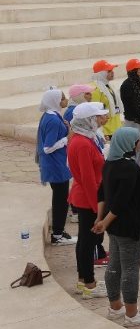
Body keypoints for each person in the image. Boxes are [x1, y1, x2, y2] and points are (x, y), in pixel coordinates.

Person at [95, 127, 140, 325]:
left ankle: (115, 307)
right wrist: (104, 221)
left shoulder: (109, 163)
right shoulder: (129, 168)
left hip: (115, 226)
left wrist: (101, 219)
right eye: (138, 141)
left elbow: (102, 192)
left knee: (115, 265)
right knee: (130, 268)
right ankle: (132, 314)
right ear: (129, 144)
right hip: (130, 226)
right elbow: (121, 201)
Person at [68, 101, 110, 297]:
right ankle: (89, 284)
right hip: (87, 199)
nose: (101, 119)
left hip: (86, 197)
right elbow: (88, 180)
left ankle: (83, 279)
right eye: (98, 117)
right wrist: (98, 211)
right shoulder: (83, 143)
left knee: (85, 241)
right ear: (88, 120)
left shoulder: (84, 138)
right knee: (87, 243)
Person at [36, 88, 76, 246]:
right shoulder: (52, 120)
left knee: (60, 199)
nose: (66, 100)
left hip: (57, 164)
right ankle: (58, 235)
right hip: (55, 165)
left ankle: (59, 232)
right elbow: (47, 147)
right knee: (61, 201)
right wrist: (67, 138)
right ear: (55, 101)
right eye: (63, 98)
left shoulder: (52, 115)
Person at [89, 60, 123, 141]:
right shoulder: (95, 88)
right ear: (101, 73)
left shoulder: (108, 86)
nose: (112, 73)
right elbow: (94, 113)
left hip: (116, 127)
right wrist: (100, 133)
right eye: (109, 71)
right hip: (106, 131)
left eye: (112, 70)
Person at [119, 59, 140, 134]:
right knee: (133, 141)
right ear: (133, 70)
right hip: (132, 121)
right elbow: (130, 105)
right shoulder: (126, 85)